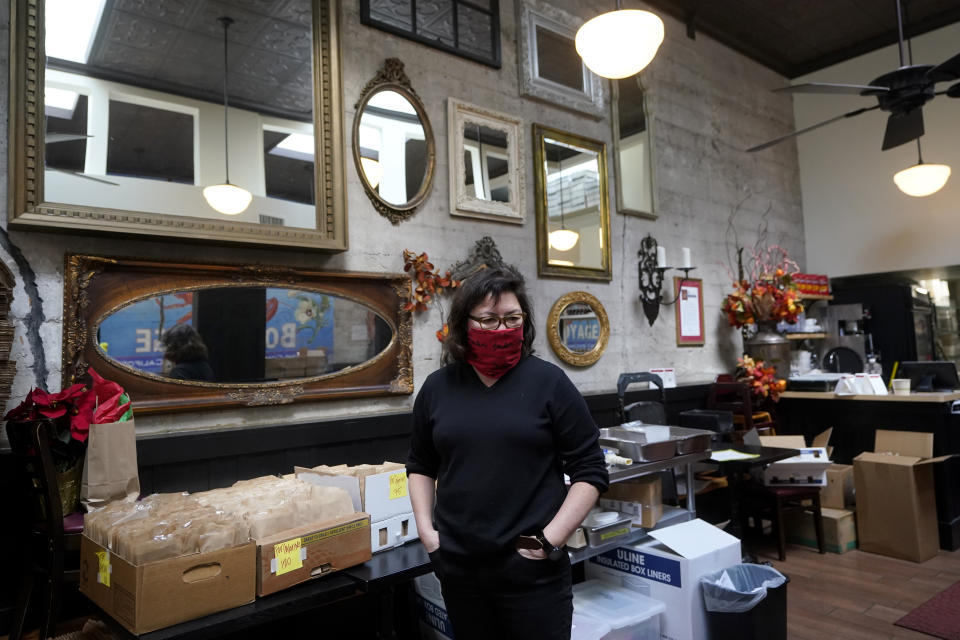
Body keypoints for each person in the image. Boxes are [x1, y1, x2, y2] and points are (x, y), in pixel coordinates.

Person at [406, 269, 609, 640]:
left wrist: (549, 541)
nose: (502, 329)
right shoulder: (438, 388)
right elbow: (421, 464)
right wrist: (427, 533)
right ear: (464, 323)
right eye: (488, 320)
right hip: (460, 571)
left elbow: (590, 469)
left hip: (534, 575)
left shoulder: (549, 383)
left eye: (512, 319)